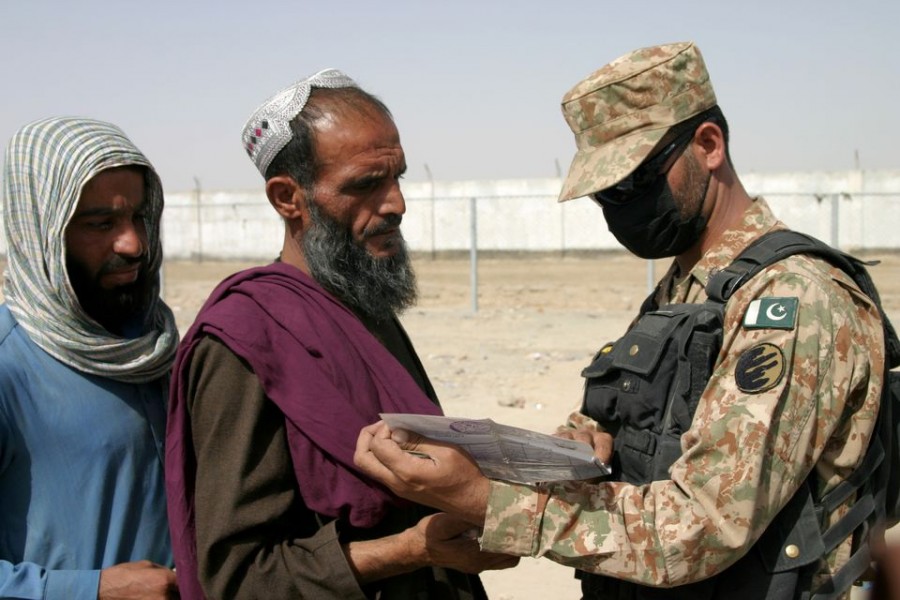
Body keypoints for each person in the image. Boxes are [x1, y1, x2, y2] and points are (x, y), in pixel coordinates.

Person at [354, 41, 887, 599]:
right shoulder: (688, 288)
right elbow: (635, 423)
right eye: (604, 195)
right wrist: (574, 445)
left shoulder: (791, 299)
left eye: (635, 183)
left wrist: (489, 502)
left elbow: (703, 526)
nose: (621, 208)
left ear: (708, 145)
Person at [165, 68, 516, 600]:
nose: (396, 203)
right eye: (365, 185)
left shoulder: (364, 307)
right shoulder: (245, 339)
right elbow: (236, 579)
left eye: (397, 176)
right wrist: (411, 551)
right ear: (288, 198)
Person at [0, 117, 180, 599]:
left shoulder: (155, 344)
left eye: (139, 217)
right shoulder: (8, 365)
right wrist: (91, 589)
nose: (133, 245)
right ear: (40, 228)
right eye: (101, 224)